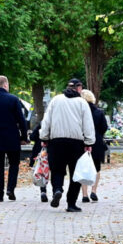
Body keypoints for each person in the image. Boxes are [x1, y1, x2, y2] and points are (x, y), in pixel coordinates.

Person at [40, 78, 95, 212]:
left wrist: (44, 137)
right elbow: (88, 123)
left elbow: (46, 120)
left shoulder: (56, 100)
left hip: (56, 142)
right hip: (76, 143)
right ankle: (71, 203)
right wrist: (89, 142)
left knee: (57, 170)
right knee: (75, 174)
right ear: (79, 89)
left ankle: (57, 190)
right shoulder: (82, 102)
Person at [80, 89, 108, 202]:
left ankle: (84, 195)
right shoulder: (99, 112)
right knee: (97, 168)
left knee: (83, 167)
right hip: (97, 142)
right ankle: (94, 191)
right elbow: (104, 127)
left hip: (82, 142)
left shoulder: (80, 112)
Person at [29, 122, 49, 203]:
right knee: (54, 172)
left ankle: (43, 191)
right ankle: (56, 190)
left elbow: (32, 137)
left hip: (40, 153)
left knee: (42, 172)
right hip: (51, 151)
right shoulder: (53, 126)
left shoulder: (40, 126)